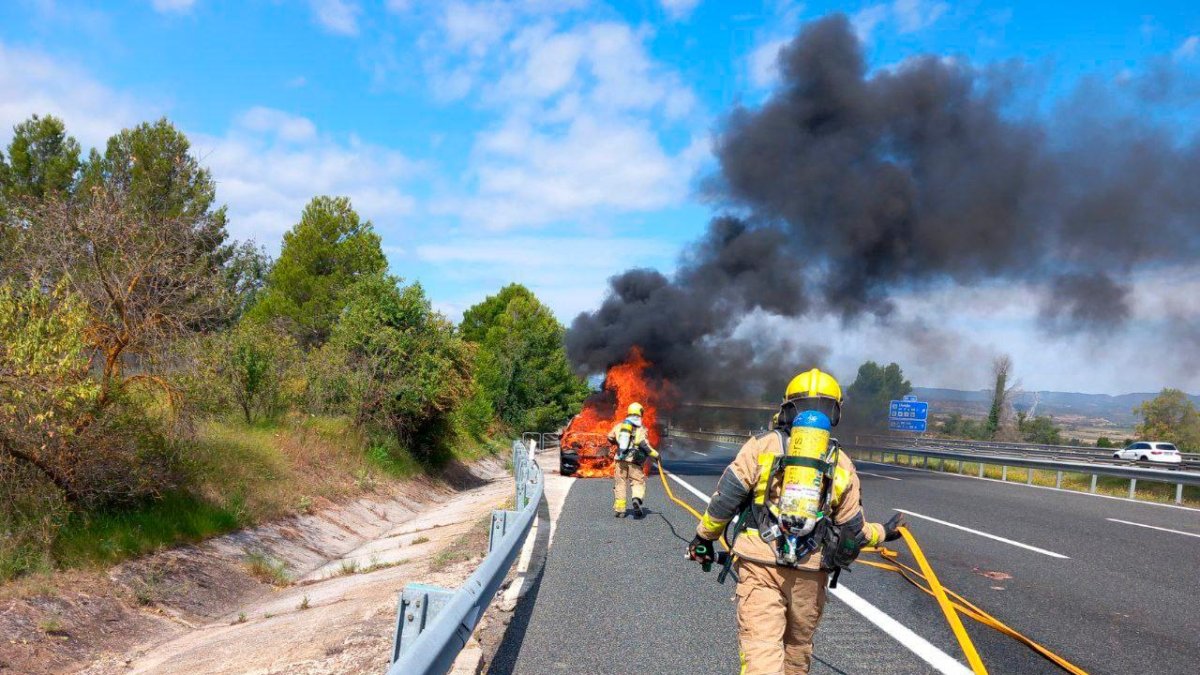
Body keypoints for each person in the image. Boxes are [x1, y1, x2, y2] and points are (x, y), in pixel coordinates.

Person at [687, 369, 904, 674]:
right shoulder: (840, 463)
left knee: (762, 646)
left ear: (787, 408)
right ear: (835, 412)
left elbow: (725, 499)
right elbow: (853, 531)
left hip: (759, 563)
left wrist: (703, 538)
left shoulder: (761, 446)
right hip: (810, 570)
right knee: (797, 649)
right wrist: (884, 532)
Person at [608, 402, 659, 518]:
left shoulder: (619, 426)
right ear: (640, 413)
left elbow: (610, 437)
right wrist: (656, 455)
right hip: (634, 461)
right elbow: (644, 445)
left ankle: (620, 510)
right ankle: (636, 498)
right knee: (637, 482)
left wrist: (618, 444)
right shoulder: (641, 429)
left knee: (620, 483)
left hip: (620, 460)